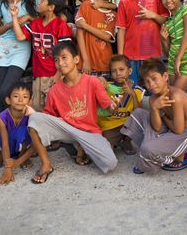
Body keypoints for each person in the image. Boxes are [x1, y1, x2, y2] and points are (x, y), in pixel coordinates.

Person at [26, 41, 118, 184]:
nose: (60, 63)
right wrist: (32, 111)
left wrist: (114, 105)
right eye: (56, 60)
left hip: (89, 132)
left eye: (64, 57)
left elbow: (108, 106)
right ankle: (46, 164)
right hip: (67, 129)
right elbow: (48, 117)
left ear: (76, 59)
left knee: (110, 163)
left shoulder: (92, 82)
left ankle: (80, 145)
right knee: (34, 119)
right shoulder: (54, 90)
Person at [121, 58, 187, 174]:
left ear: (165, 77)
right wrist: (154, 108)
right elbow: (156, 127)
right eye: (147, 81)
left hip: (185, 134)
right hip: (169, 130)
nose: (151, 84)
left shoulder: (175, 96)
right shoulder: (153, 98)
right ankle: (154, 149)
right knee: (137, 114)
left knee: (147, 148)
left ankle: (178, 155)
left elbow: (179, 130)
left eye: (154, 79)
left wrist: (161, 114)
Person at [11, 0, 72, 112]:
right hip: (38, 76)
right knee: (37, 110)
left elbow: (66, 53)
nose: (39, 2)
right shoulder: (35, 24)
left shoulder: (61, 26)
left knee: (56, 110)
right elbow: (20, 36)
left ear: (51, 7)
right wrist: (14, 16)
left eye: (42, 0)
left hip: (55, 75)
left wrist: (58, 75)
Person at [0, 0, 38, 115]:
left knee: (6, 90)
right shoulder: (0, 3)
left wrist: (29, 17)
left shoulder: (32, 1)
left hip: (22, 47)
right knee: (2, 93)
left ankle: (6, 128)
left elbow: (41, 20)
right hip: (2, 48)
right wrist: (13, 22)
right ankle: (2, 129)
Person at [116, 0, 169, 86]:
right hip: (131, 56)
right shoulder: (124, 1)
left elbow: (167, 21)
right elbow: (121, 30)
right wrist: (121, 57)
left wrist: (153, 15)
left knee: (157, 91)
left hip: (155, 54)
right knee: (132, 93)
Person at [0, 81, 36, 185]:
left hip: (22, 143)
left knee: (23, 132)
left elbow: (36, 143)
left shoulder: (31, 115)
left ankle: (21, 158)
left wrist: (15, 163)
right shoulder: (2, 117)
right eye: (16, 96)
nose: (20, 100)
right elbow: (4, 144)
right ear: (8, 100)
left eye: (25, 97)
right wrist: (8, 167)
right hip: (8, 143)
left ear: (30, 101)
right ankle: (2, 159)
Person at [97, 54, 145, 154]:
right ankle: (114, 141)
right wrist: (99, 80)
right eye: (114, 71)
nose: (118, 73)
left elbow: (139, 112)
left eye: (121, 69)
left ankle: (126, 141)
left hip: (127, 124)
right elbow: (92, 84)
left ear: (130, 71)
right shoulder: (107, 87)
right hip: (110, 125)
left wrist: (133, 95)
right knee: (107, 152)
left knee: (137, 123)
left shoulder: (137, 90)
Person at [75, 0, 118, 77]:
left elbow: (107, 37)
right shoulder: (86, 6)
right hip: (85, 64)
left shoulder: (113, 14)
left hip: (104, 63)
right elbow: (79, 34)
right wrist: (85, 60)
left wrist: (85, 26)